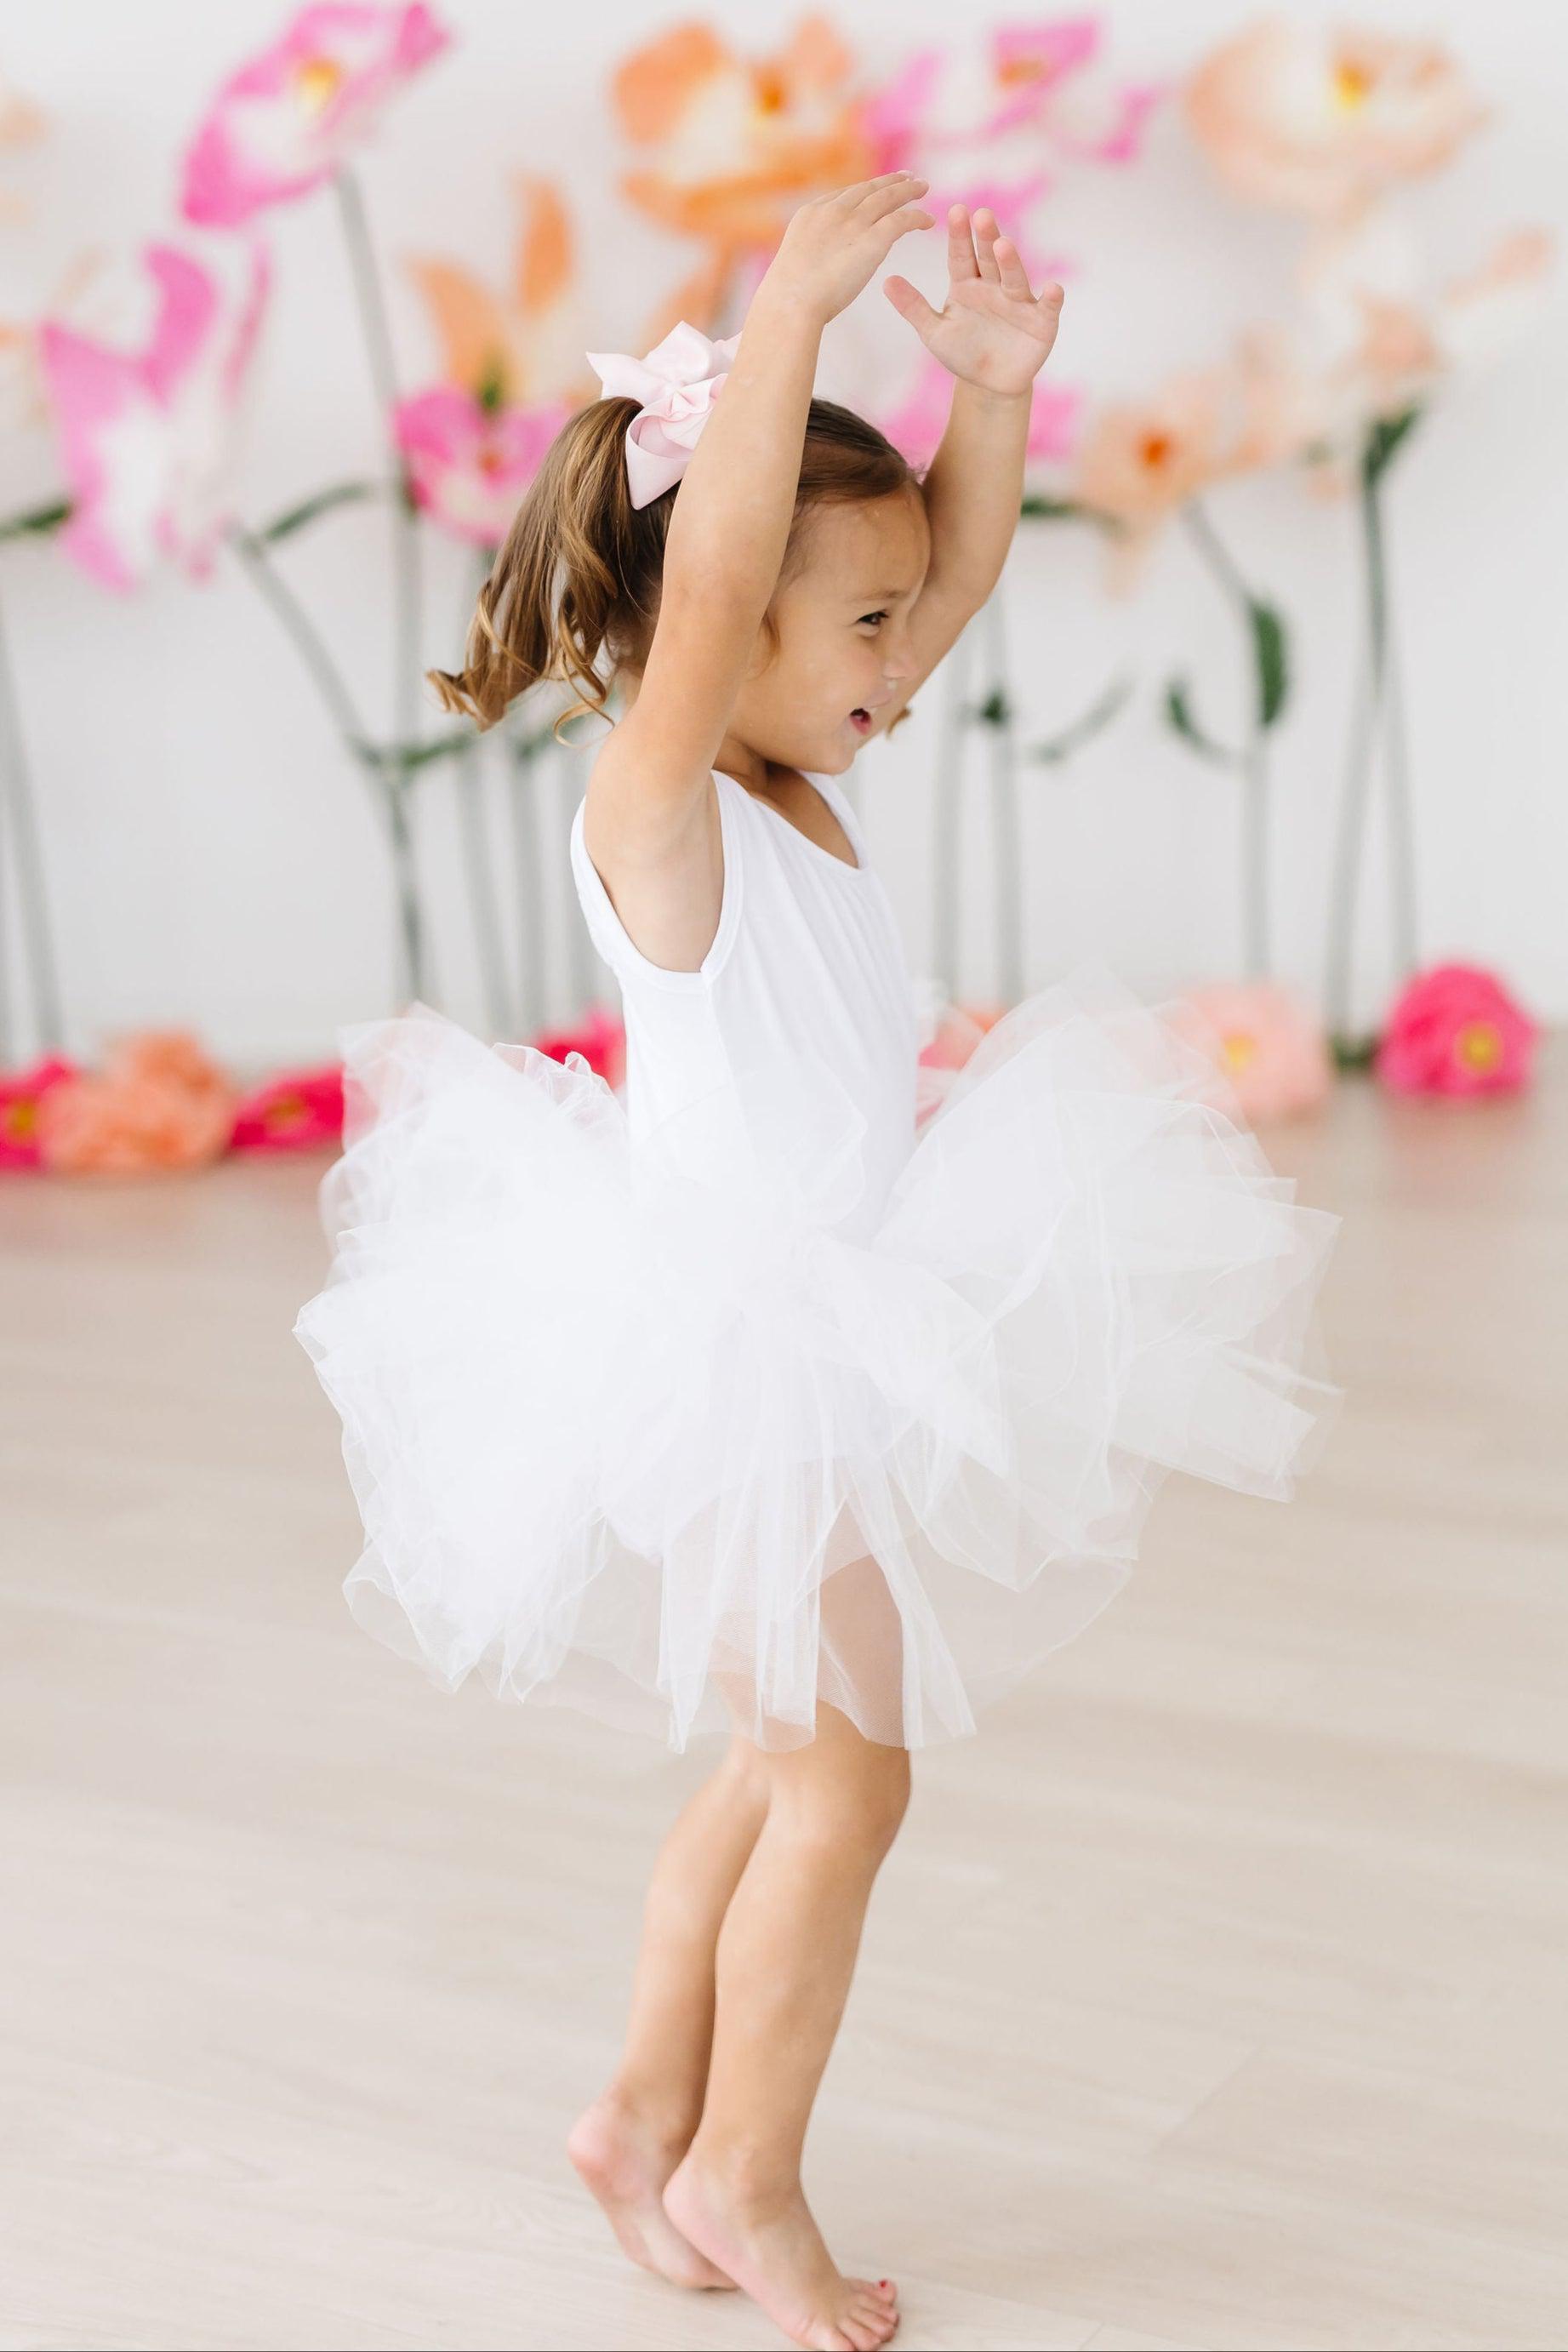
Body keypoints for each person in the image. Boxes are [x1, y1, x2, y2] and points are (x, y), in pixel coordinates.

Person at [294, 174, 1340, 2352]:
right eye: (852, 624)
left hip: (823, 1309)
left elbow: (942, 568)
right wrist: (781, 323)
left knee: (783, 1766)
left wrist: (987, 405)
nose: (905, 655)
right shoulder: (664, 807)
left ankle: (639, 2114)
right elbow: (736, 608)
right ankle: (741, 2172)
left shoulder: (799, 759)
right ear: (734, 609)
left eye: (889, 626)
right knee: (850, 1778)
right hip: (727, 1345)